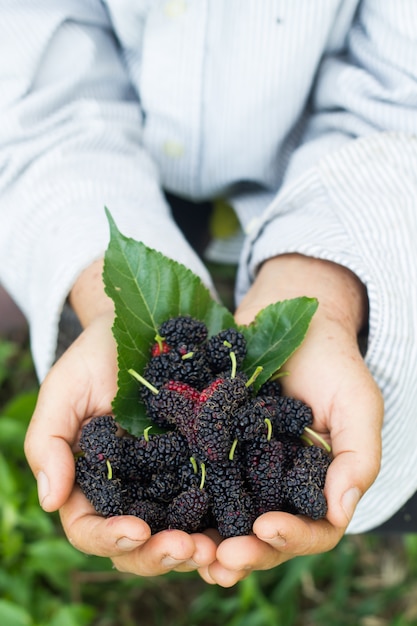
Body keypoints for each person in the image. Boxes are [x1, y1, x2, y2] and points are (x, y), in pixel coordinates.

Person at [1, 1, 416, 588]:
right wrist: (103, 297)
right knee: (30, 283)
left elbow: (403, 91)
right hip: (109, 158)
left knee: (378, 434)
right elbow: (30, 88)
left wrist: (322, 282)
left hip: (335, 174)